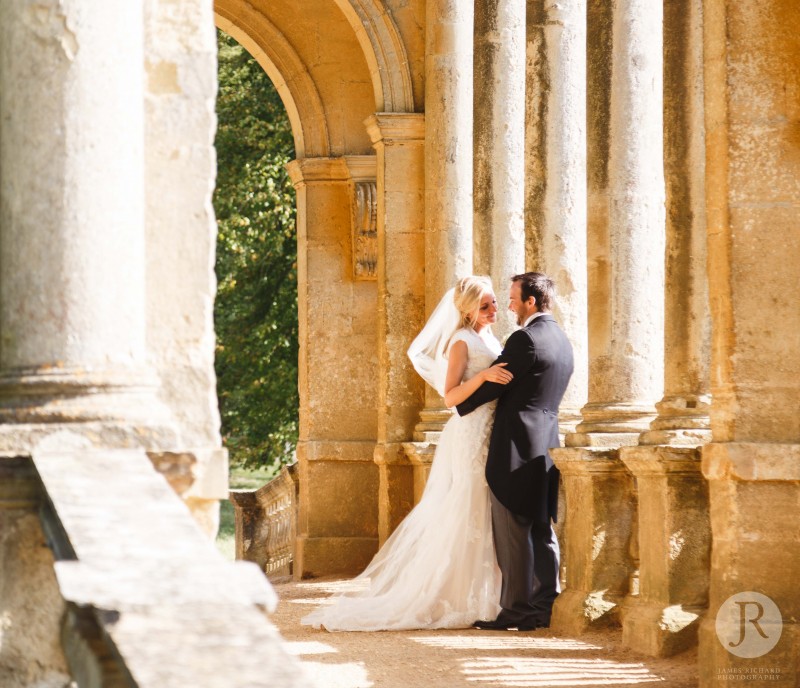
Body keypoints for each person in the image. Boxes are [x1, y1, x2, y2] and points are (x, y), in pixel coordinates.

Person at [301, 276, 511, 631]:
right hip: (470, 431)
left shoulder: (488, 336)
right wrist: (485, 376)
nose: (494, 310)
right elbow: (450, 396)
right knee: (467, 504)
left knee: (483, 507)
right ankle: (447, 596)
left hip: (489, 428)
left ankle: (484, 595)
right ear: (468, 309)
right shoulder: (461, 341)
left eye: (493, 303)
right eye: (486, 305)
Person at [458, 272, 574, 631]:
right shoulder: (561, 339)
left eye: (513, 298)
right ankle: (543, 606)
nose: (508, 305)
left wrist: (463, 402)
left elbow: (496, 381)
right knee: (540, 528)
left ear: (531, 302)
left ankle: (517, 611)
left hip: (516, 446)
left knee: (513, 531)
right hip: (546, 445)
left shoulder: (525, 339)